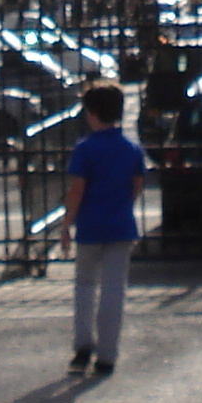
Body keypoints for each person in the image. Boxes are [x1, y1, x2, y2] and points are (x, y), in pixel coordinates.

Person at [61, 82, 148, 376]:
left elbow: (76, 189)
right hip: (121, 224)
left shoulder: (85, 148)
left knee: (85, 287)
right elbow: (136, 186)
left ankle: (83, 347)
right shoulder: (131, 148)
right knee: (114, 290)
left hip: (90, 224)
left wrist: (66, 224)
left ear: (92, 113)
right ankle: (108, 355)